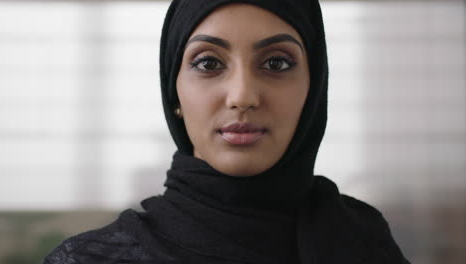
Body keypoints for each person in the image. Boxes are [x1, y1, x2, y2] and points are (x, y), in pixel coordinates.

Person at [43, 0, 410, 263]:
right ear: (175, 96)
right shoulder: (91, 258)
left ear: (312, 92)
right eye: (209, 63)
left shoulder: (365, 241)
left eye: (276, 62)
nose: (242, 97)